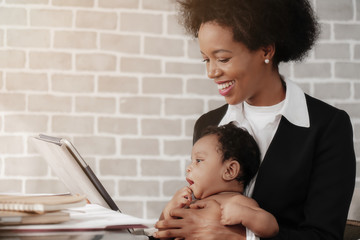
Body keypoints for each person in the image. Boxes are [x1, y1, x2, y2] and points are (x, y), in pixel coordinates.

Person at [154, 0, 356, 239]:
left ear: (265, 50)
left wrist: (240, 236)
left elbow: (324, 236)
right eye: (206, 59)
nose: (211, 72)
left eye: (223, 58)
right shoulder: (209, 124)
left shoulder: (327, 127)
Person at [159, 123, 279, 238]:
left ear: (230, 171)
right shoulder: (191, 204)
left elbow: (271, 228)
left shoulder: (236, 202)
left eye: (199, 160)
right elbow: (163, 233)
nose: (189, 168)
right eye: (192, 161)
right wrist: (170, 209)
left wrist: (244, 214)